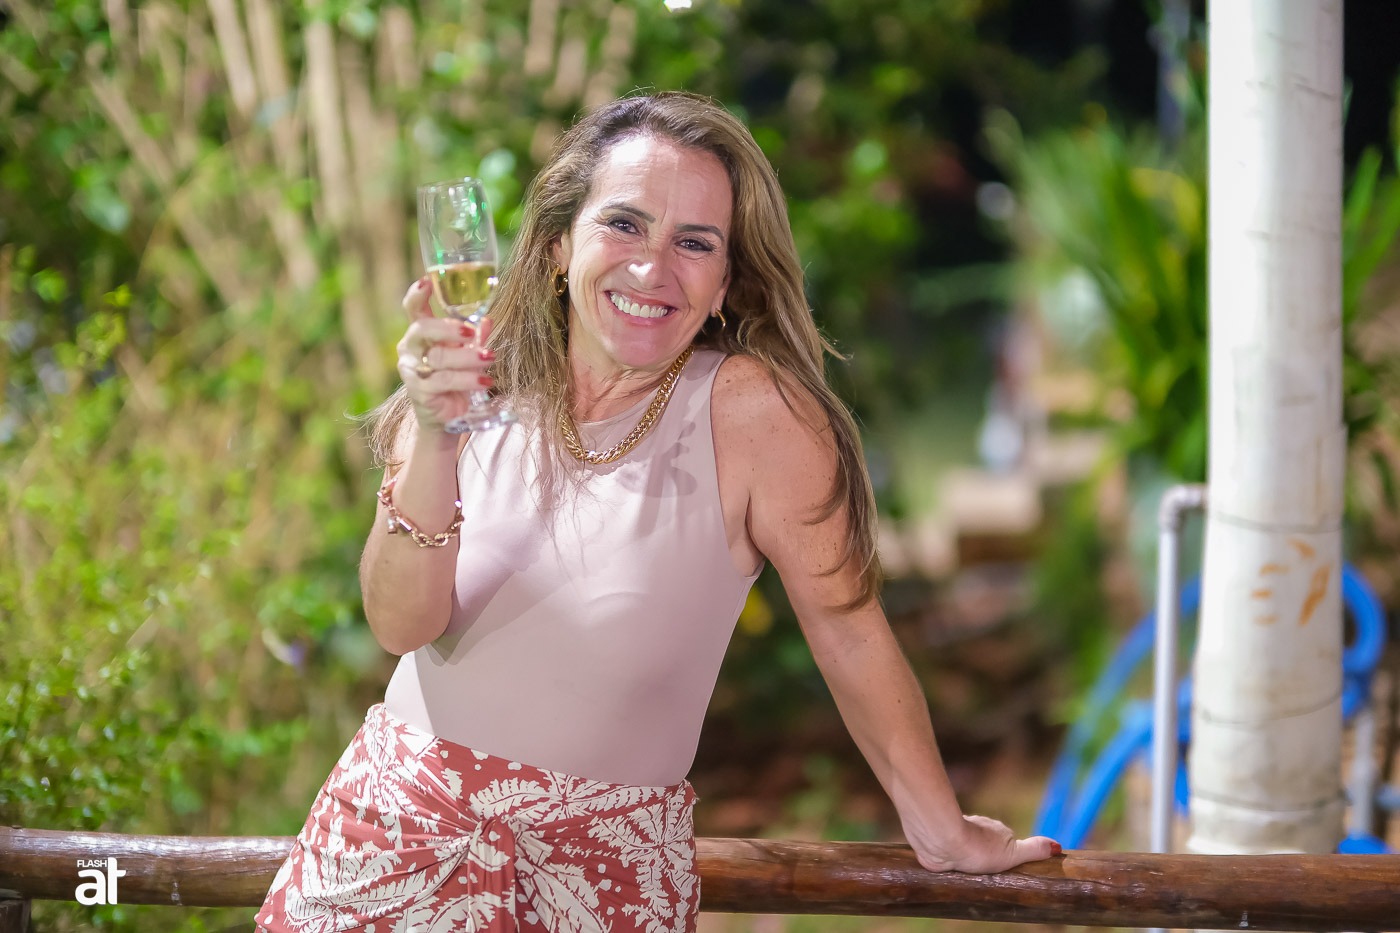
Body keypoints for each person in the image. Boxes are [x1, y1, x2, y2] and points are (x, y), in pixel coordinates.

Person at [255, 91, 1059, 933]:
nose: (652, 268)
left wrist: (940, 828)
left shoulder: (755, 415)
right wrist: (433, 430)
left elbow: (848, 629)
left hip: (599, 876)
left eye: (695, 243)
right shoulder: (467, 385)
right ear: (560, 245)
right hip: (393, 841)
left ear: (725, 283)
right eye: (624, 225)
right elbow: (399, 624)